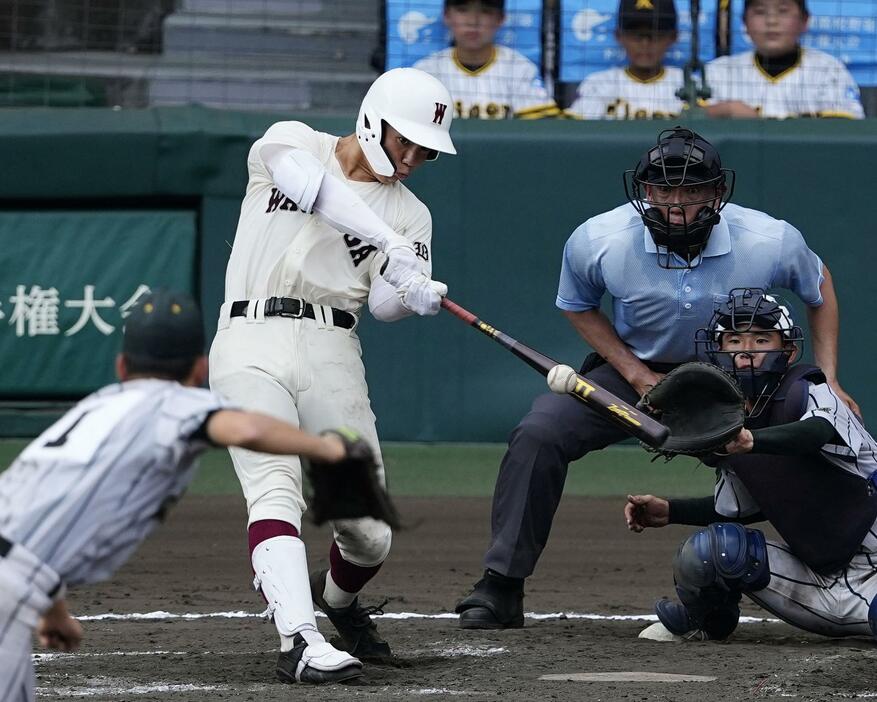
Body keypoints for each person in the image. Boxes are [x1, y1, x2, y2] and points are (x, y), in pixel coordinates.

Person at [454, 125, 856, 630]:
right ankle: (501, 585)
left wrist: (832, 380)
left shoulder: (768, 239)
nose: (677, 204)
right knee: (541, 432)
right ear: (644, 193)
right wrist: (635, 373)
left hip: (737, 382)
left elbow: (820, 287)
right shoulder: (599, 240)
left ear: (717, 193)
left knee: (791, 447)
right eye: (664, 190)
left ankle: (831, 574)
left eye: (692, 191)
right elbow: (578, 307)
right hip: (635, 373)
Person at [0, 289, 383, 699]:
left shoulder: (97, 406)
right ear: (200, 370)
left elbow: (37, 523)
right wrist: (325, 447)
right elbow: (249, 429)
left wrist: (53, 608)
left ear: (121, 366)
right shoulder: (173, 405)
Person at [207, 67, 456, 678]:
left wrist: (413, 292)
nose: (415, 156)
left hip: (331, 348)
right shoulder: (291, 140)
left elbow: (382, 306)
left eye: (427, 149)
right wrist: (386, 243)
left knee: (370, 533)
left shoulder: (412, 216)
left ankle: (336, 601)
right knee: (274, 487)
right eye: (408, 141)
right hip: (249, 336)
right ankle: (299, 638)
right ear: (375, 121)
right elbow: (315, 189)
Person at [627, 288, 877, 643]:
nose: (746, 351)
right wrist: (671, 510)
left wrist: (751, 442)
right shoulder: (730, 427)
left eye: (761, 339)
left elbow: (816, 432)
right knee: (713, 552)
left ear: (788, 350)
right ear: (719, 351)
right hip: (824, 583)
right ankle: (707, 621)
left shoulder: (808, 389)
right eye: (733, 340)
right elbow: (737, 508)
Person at [704, 0, 864, 119]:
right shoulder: (718, 71)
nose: (771, 21)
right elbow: (686, 124)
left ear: (805, 20)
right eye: (760, 12)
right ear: (744, 22)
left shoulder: (828, 69)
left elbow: (849, 125)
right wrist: (726, 109)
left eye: (783, 10)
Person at [413, 0, 560, 120]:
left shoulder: (520, 69)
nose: (473, 21)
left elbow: (540, 132)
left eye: (485, 12)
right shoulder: (426, 71)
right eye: (462, 10)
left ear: (501, 18)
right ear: (446, 16)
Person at [567, 0, 685, 120]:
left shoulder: (688, 83)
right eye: (636, 35)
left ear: (673, 37)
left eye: (654, 35)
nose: (645, 44)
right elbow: (573, 132)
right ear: (619, 36)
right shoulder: (598, 84)